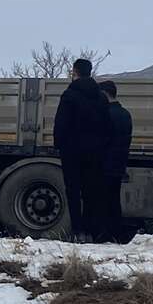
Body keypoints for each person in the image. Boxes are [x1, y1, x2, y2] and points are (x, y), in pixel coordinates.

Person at [53, 58, 111, 242]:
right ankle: (89, 231)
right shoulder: (101, 97)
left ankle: (77, 231)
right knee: (90, 191)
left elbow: (61, 124)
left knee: (73, 191)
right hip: (95, 152)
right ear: (90, 71)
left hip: (72, 152)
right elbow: (106, 125)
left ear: (75, 72)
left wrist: (59, 145)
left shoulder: (69, 95)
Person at [99, 80, 133, 244]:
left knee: (103, 201)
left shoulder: (104, 114)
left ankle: (105, 234)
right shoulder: (125, 114)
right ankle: (116, 233)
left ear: (105, 94)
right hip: (119, 163)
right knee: (114, 200)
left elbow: (100, 141)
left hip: (104, 164)